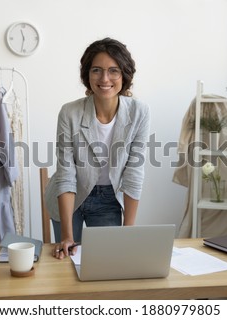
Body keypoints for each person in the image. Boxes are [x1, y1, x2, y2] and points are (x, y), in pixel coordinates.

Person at [45, 37, 150, 259]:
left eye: (113, 70)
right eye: (96, 70)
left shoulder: (139, 112)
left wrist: (129, 229)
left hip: (108, 199)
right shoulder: (69, 113)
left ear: (124, 75)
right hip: (69, 196)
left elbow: (134, 173)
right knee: (67, 259)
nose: (104, 78)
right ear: (87, 75)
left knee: (107, 261)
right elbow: (66, 173)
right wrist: (67, 236)